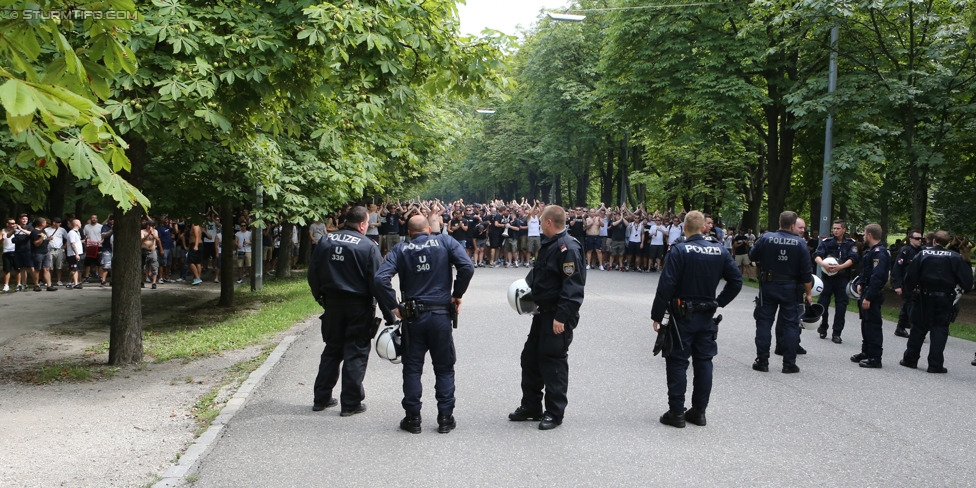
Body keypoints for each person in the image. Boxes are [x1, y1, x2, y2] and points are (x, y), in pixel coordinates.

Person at [375, 215, 474, 434]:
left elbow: (380, 279)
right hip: (440, 315)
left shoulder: (401, 249)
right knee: (444, 368)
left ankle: (413, 419)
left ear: (409, 232)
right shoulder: (446, 242)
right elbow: (467, 267)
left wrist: (394, 307)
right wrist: (457, 294)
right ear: (429, 230)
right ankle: (445, 418)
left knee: (412, 369)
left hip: (413, 317)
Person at [653, 211, 742, 428]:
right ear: (704, 228)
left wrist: (657, 315)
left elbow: (666, 285)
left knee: (677, 361)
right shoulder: (719, 250)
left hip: (681, 315)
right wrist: (719, 302)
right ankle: (699, 411)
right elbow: (736, 281)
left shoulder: (679, 250)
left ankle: (676, 412)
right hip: (707, 315)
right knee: (704, 362)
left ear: (684, 228)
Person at [308, 206, 395, 416]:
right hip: (358, 306)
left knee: (332, 350)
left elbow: (313, 273)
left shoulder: (326, 241)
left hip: (332, 303)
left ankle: (321, 398)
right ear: (364, 224)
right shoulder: (368, 246)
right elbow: (377, 283)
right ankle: (351, 403)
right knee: (355, 353)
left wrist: (320, 297)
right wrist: (389, 314)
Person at [507, 205, 585, 431]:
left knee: (553, 363)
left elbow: (573, 287)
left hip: (557, 315)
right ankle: (531, 406)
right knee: (530, 358)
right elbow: (539, 277)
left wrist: (562, 317)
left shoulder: (567, 248)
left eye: (542, 221)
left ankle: (554, 412)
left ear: (549, 222)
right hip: (542, 313)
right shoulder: (550, 244)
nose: (540, 224)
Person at [748, 211, 813, 374]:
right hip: (791, 288)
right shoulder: (800, 243)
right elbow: (806, 272)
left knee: (764, 322)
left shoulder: (765, 238)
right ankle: (789, 363)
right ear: (792, 225)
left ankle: (762, 361)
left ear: (779, 222)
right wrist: (809, 293)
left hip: (769, 285)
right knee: (791, 324)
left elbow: (752, 255)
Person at [899, 231, 973, 373]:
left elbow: (910, 277)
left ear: (934, 241)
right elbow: (967, 282)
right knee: (939, 329)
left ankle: (910, 359)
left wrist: (910, 290)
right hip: (945, 298)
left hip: (924, 296)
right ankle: (935, 364)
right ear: (948, 242)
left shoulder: (922, 254)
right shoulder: (955, 257)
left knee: (918, 328)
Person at [850, 223, 890, 369]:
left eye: (865, 234)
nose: (863, 236)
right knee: (866, 323)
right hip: (866, 289)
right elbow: (866, 271)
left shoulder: (879, 252)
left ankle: (875, 357)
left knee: (873, 325)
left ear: (870, 235)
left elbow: (877, 277)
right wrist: (860, 283)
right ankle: (866, 352)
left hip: (872, 293)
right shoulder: (870, 251)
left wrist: (869, 297)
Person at [813, 220, 860, 344]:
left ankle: (837, 333)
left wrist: (840, 267)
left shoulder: (851, 243)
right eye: (834, 228)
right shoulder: (827, 242)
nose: (835, 230)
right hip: (827, 279)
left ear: (844, 229)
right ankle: (823, 327)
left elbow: (853, 258)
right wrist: (823, 263)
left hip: (842, 278)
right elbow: (817, 255)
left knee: (841, 307)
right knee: (823, 303)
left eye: (838, 228)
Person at [891, 230, 923, 338]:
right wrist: (897, 285)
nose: (920, 241)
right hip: (907, 284)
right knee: (912, 308)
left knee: (907, 306)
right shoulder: (905, 251)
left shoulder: (922, 251)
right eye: (917, 238)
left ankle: (900, 328)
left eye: (921, 238)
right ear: (911, 239)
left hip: (918, 285)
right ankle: (915, 332)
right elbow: (897, 268)